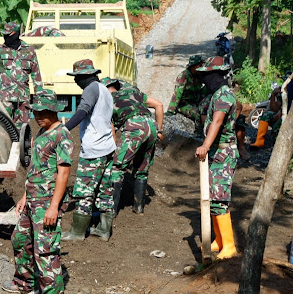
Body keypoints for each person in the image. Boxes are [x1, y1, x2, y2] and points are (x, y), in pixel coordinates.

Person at [2, 89, 73, 294]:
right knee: (20, 239)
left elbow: (63, 173)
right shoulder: (41, 132)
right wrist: (24, 195)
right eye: (36, 112)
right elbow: (34, 169)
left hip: (46, 202)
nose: (38, 116)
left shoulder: (62, 135)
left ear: (53, 111)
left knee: (46, 251)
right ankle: (25, 282)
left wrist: (54, 207)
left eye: (43, 112)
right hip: (32, 198)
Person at [61, 59, 116, 242]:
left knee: (85, 191)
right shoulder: (104, 90)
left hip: (94, 149)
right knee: (104, 190)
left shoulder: (90, 89)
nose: (76, 81)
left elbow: (82, 111)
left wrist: (65, 129)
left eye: (77, 78)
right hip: (107, 147)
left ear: (85, 76)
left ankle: (77, 233)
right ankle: (104, 230)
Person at [97, 78, 164, 218]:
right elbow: (159, 105)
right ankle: (138, 207)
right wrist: (159, 130)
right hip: (151, 125)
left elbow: (111, 130)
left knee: (117, 168)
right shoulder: (133, 92)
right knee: (141, 169)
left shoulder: (107, 99)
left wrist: (114, 151)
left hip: (134, 127)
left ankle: (111, 211)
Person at [194, 57, 239, 260]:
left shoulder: (224, 96)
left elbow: (217, 122)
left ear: (215, 75)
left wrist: (205, 145)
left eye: (206, 76)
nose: (204, 80)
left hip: (224, 153)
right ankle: (219, 240)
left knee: (220, 198)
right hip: (217, 154)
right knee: (213, 196)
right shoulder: (216, 95)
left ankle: (229, 246)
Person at [0, 22, 43, 130]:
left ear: (16, 34)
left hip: (23, 99)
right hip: (4, 99)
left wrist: (38, 99)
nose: (5, 37)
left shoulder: (29, 51)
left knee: (22, 131)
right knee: (3, 128)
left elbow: (36, 76)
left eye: (8, 34)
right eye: (4, 34)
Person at [251, 38, 293, 148]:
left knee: (276, 136)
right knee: (267, 114)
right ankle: (259, 141)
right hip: (285, 111)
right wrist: (273, 95)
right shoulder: (292, 77)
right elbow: (273, 108)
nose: (292, 52)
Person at [167, 55, 210, 124]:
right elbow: (177, 94)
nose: (201, 67)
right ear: (194, 66)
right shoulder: (184, 76)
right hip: (185, 104)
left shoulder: (199, 74)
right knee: (198, 114)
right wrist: (170, 111)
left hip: (197, 99)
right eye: (199, 65)